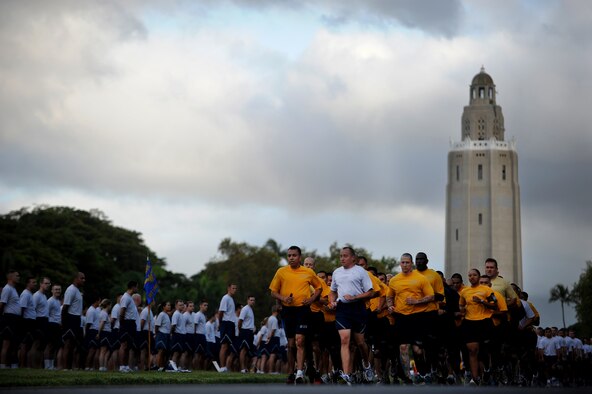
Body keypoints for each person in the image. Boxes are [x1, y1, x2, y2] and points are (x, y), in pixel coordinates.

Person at [269, 245, 322, 384]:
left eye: (294, 255)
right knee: (291, 344)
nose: (291, 258)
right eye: (289, 255)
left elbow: (319, 288)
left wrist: (311, 299)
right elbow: (273, 291)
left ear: (299, 257)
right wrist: (283, 298)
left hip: (303, 310)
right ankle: (291, 373)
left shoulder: (308, 272)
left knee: (300, 341)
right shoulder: (281, 272)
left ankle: (299, 373)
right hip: (288, 311)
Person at [328, 246, 376, 384]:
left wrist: (355, 297)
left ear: (353, 258)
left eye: (345, 256)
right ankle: (347, 374)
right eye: (341, 256)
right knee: (344, 340)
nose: (342, 258)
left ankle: (366, 365)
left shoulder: (360, 271)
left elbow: (371, 292)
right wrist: (332, 301)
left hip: (358, 308)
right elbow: (332, 291)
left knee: (361, 343)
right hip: (342, 309)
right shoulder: (337, 272)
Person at [386, 253, 434, 383]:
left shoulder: (420, 278)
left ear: (411, 263)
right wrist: (390, 306)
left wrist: (416, 301)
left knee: (417, 350)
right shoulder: (394, 280)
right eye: (403, 262)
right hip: (401, 317)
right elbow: (389, 296)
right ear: (400, 263)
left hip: (417, 317)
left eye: (407, 262)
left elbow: (431, 296)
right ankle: (407, 377)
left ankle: (423, 373)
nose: (405, 265)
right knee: (403, 347)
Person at [459, 268, 498, 385]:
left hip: (484, 322)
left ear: (479, 276)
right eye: (469, 275)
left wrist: (481, 301)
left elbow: (495, 305)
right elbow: (461, 305)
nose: (472, 277)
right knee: (472, 350)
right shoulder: (464, 291)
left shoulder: (486, 290)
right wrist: (462, 310)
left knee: (484, 351)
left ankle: (486, 369)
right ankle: (475, 378)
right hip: (469, 323)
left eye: (474, 275)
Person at [61, 272, 85, 370]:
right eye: (82, 278)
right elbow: (65, 307)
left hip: (76, 319)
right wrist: (64, 322)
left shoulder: (78, 291)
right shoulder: (71, 290)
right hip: (70, 318)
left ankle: (70, 367)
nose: (84, 280)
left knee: (73, 345)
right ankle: (65, 368)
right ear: (76, 278)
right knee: (68, 344)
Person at [0, 270, 21, 369]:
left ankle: (11, 364)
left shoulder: (13, 289)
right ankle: (3, 365)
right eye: (16, 276)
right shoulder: (7, 289)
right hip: (9, 318)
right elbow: (2, 304)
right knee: (6, 343)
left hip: (15, 319)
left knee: (13, 343)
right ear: (10, 277)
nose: (18, 277)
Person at [119, 281, 139, 373]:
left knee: (128, 346)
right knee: (124, 345)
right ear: (133, 287)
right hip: (126, 323)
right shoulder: (125, 297)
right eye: (137, 287)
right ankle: (122, 366)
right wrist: (122, 323)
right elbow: (122, 311)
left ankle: (126, 366)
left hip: (131, 323)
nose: (137, 289)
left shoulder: (130, 298)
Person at [217, 283, 238, 373]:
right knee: (224, 346)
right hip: (226, 323)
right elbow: (221, 312)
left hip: (231, 324)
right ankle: (222, 367)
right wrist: (221, 323)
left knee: (228, 346)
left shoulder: (231, 299)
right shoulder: (225, 298)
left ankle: (225, 366)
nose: (235, 290)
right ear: (228, 288)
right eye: (233, 288)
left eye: (236, 288)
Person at [32, 277, 51, 369]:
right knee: (36, 344)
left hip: (45, 321)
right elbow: (32, 309)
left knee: (42, 345)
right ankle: (33, 366)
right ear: (41, 284)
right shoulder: (36, 295)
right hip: (38, 320)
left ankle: (39, 366)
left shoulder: (44, 296)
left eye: (49, 284)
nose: (48, 285)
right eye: (46, 283)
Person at [18, 277, 37, 368]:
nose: (35, 284)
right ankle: (21, 365)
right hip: (26, 321)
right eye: (33, 282)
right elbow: (22, 308)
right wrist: (21, 322)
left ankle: (24, 365)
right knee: (24, 344)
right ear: (28, 283)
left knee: (28, 344)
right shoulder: (25, 294)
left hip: (31, 321)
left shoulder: (30, 294)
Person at [45, 284, 62, 370]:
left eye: (59, 289)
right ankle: (47, 365)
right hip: (51, 324)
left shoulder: (58, 301)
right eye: (56, 289)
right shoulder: (50, 301)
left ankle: (51, 365)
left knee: (55, 346)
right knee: (50, 345)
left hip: (57, 325)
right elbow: (46, 313)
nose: (57, 291)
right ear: (52, 291)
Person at [238, 295, 256, 373]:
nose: (252, 301)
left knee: (247, 351)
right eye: (251, 300)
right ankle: (242, 368)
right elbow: (240, 321)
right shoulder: (245, 309)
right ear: (247, 300)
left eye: (253, 300)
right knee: (243, 350)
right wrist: (240, 330)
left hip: (250, 332)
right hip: (245, 331)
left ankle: (245, 368)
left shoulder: (251, 310)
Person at [154, 301, 172, 371]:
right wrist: (156, 333)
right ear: (163, 307)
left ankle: (162, 366)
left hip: (167, 335)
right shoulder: (161, 314)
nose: (169, 306)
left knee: (165, 352)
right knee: (161, 351)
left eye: (170, 305)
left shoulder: (167, 315)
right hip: (162, 334)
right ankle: (158, 366)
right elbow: (157, 325)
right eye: (168, 305)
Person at [97, 299, 112, 372]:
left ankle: (104, 366)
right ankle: (101, 367)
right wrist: (98, 333)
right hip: (105, 333)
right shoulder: (104, 313)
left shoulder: (104, 313)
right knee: (103, 351)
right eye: (110, 305)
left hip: (107, 333)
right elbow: (101, 324)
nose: (110, 307)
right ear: (108, 305)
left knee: (105, 351)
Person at [194, 301, 208, 370]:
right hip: (198, 335)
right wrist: (195, 334)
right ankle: (195, 368)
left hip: (203, 335)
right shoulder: (198, 314)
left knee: (202, 353)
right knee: (197, 353)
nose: (206, 307)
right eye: (204, 305)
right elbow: (195, 325)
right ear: (200, 306)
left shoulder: (203, 315)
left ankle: (199, 368)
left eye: (207, 305)